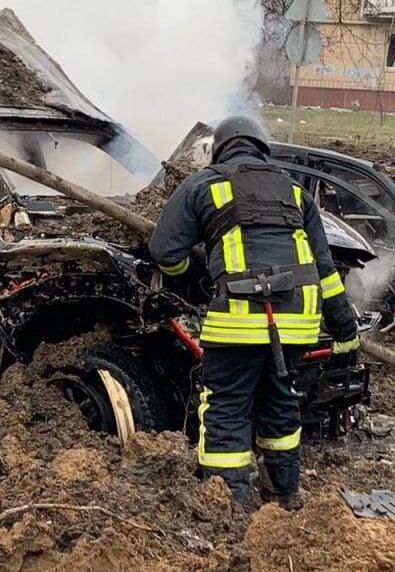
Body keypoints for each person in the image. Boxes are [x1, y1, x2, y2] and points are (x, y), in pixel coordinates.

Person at [148, 116, 361, 509]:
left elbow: (164, 251)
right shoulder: (296, 192)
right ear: (263, 150)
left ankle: (227, 505)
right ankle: (285, 493)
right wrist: (346, 333)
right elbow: (326, 271)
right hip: (297, 323)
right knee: (280, 400)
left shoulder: (203, 184)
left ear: (219, 150)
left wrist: (191, 281)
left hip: (238, 319)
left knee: (227, 404)